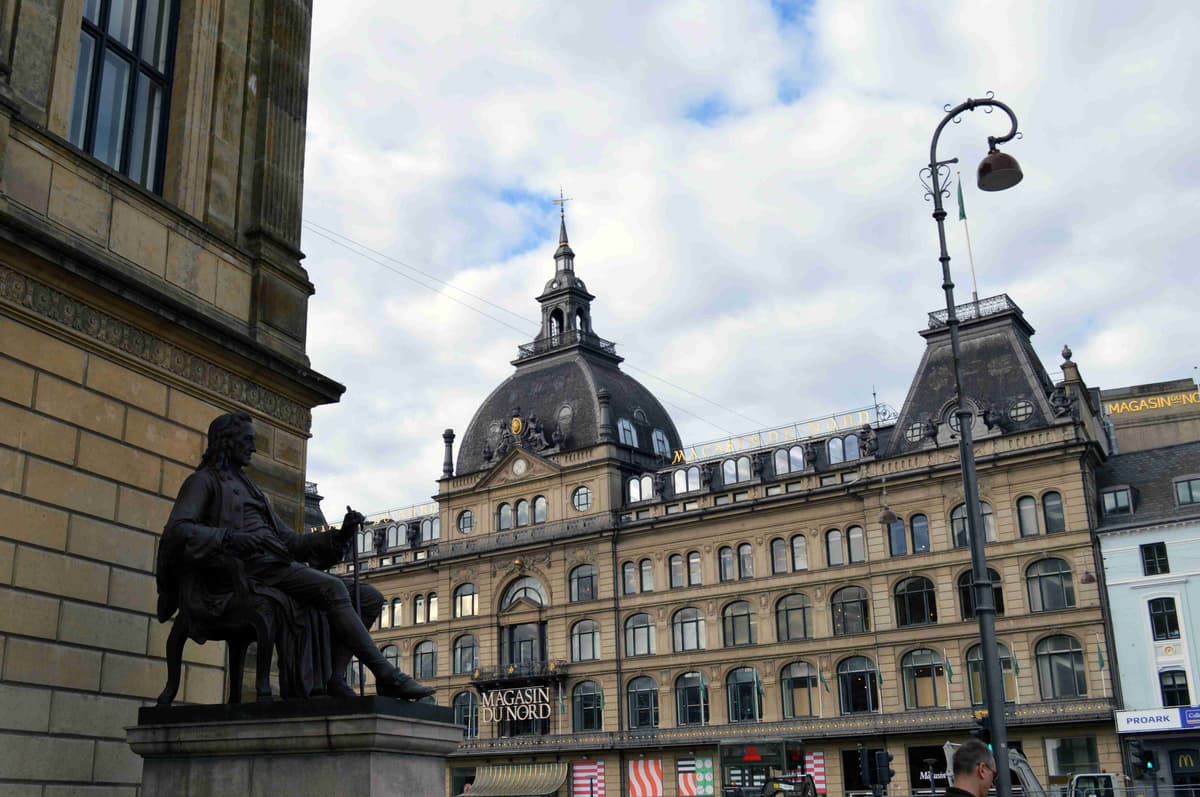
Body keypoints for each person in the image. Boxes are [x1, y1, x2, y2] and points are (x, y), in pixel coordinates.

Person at [156, 411, 433, 701]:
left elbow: (291, 541)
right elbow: (178, 530)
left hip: (274, 567)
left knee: (369, 598)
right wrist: (233, 538)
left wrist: (339, 534)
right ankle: (386, 675)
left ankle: (336, 678)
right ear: (227, 441)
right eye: (247, 441)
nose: (253, 447)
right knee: (334, 587)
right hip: (243, 573)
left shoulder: (253, 490)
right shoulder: (203, 481)